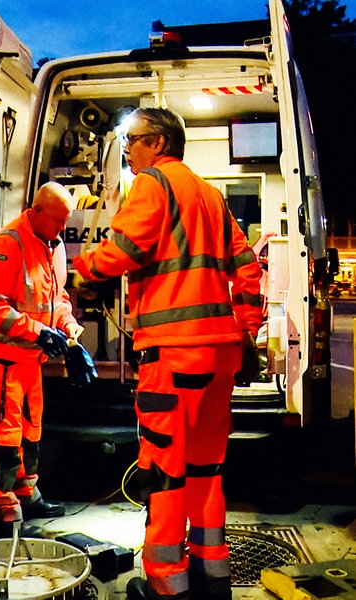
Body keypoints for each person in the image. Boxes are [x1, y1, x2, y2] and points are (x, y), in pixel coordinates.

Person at [72, 108, 263, 600]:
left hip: (174, 356)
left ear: (157, 143)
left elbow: (124, 250)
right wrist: (245, 331)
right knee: (205, 468)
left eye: (132, 140)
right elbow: (247, 269)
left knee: (166, 469)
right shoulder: (210, 195)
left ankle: (166, 583)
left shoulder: (153, 184)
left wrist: (84, 270)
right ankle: (212, 572)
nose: (129, 151)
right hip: (219, 355)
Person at [0, 181, 85, 540]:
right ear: (35, 212)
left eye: (65, 224)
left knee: (29, 433)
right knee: (2, 438)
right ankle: (2, 511)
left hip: (28, 360)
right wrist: (37, 331)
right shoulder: (9, 243)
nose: (62, 231)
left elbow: (58, 298)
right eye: (57, 222)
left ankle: (26, 494)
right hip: (3, 360)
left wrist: (70, 329)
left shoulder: (52, 245)